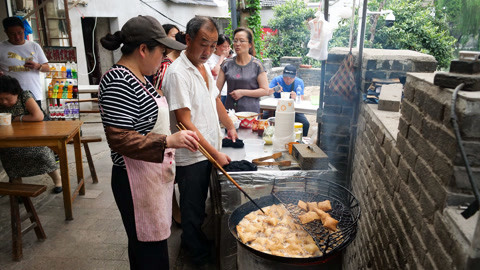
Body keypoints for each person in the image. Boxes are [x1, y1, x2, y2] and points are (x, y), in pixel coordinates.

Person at [98, 15, 199, 269]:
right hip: (134, 180)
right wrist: (168, 140)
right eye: (162, 52)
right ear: (143, 49)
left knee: (152, 246)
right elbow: (119, 138)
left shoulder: (141, 78)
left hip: (150, 175)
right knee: (148, 251)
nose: (164, 59)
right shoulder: (118, 80)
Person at [162, 16, 238, 268]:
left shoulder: (203, 67)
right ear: (188, 40)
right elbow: (184, 122)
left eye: (213, 44)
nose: (208, 51)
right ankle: (196, 256)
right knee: (192, 210)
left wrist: (229, 125)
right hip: (192, 156)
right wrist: (214, 153)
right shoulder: (177, 73)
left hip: (207, 150)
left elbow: (214, 99)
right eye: (203, 44)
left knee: (201, 205)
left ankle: (196, 244)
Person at [0, 75, 62, 193]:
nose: (4, 102)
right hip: (10, 139)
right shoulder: (1, 104)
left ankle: (58, 180)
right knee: (8, 156)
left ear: (16, 93)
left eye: (7, 98)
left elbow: (38, 116)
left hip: (32, 137)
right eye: (0, 99)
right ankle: (17, 189)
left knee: (42, 155)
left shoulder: (25, 96)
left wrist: (18, 119)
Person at [216, 27, 271, 113]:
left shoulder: (257, 65)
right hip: (231, 113)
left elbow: (265, 90)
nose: (237, 44)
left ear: (250, 44)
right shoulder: (226, 64)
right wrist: (220, 111)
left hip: (251, 113)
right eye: (235, 40)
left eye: (242, 41)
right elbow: (216, 91)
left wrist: (243, 92)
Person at [0, 17, 50, 108]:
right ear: (6, 32)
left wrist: (38, 66)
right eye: (12, 34)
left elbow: (47, 68)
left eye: (20, 33)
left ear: (24, 29)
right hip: (10, 97)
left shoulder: (34, 46)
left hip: (33, 93)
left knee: (36, 120)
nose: (17, 37)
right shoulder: (1, 47)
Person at [269, 64, 310, 136]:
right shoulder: (277, 80)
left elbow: (301, 99)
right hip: (277, 108)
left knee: (305, 124)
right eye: (285, 77)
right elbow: (267, 91)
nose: (288, 80)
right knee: (265, 119)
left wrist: (296, 97)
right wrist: (274, 89)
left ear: (295, 76)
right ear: (282, 74)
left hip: (293, 109)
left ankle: (300, 144)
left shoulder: (299, 82)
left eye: (291, 78)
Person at [206, 34, 231, 104]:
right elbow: (215, 72)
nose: (226, 49)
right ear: (216, 45)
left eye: (228, 46)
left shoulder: (228, 59)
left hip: (227, 92)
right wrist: (222, 57)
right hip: (217, 92)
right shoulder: (209, 57)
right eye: (224, 46)